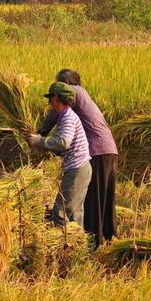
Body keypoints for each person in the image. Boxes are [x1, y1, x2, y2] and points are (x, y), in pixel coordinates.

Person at [38, 68, 119, 248]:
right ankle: (105, 241)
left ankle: (93, 243)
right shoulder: (82, 97)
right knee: (101, 200)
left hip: (97, 151)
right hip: (108, 149)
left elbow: (56, 122)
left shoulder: (73, 94)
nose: (51, 100)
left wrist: (39, 135)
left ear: (65, 85)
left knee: (91, 200)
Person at [28, 82, 92, 227]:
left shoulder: (68, 117)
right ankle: (77, 247)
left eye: (50, 99)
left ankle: (63, 247)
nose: (49, 103)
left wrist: (39, 140)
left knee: (59, 213)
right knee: (75, 214)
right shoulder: (64, 116)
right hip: (81, 168)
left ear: (56, 98)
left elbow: (64, 142)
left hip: (77, 169)